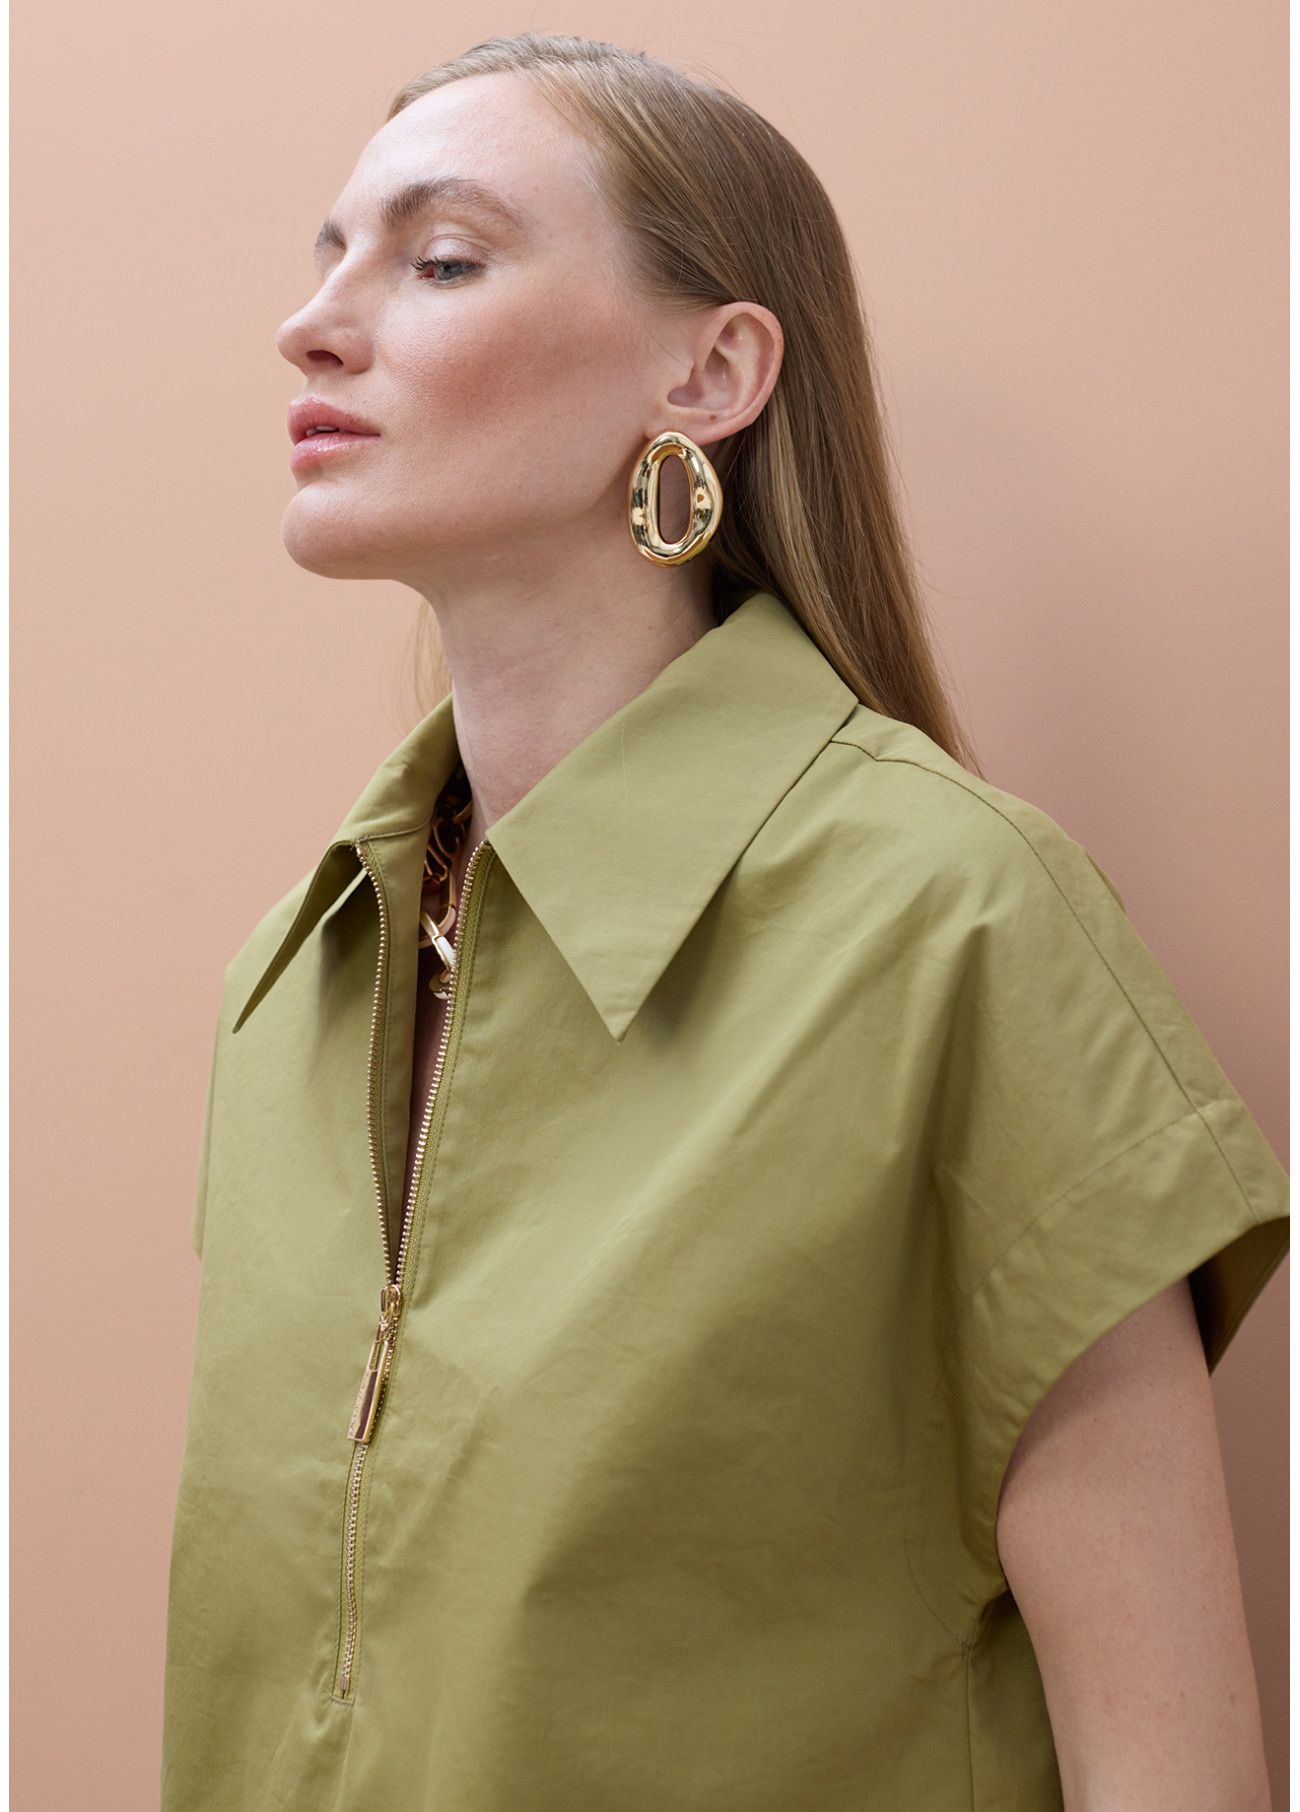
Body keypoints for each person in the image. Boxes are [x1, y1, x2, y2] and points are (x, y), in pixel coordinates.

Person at [162, 33, 1288, 1812]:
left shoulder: (950, 929)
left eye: (439, 260)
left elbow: (1173, 1769)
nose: (315, 325)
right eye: (328, 256)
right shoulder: (286, 991)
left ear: (711, 371)